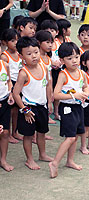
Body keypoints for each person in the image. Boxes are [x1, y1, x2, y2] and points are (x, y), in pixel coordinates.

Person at [48, 42, 89, 178]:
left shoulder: (82, 73)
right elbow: (56, 95)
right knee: (70, 137)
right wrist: (74, 95)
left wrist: (85, 92)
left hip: (78, 107)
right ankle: (55, 162)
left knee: (76, 135)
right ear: (62, 60)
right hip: (67, 108)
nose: (74, 61)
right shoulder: (63, 74)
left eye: (76, 57)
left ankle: (70, 161)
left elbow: (85, 87)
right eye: (70, 58)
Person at [13, 37, 53, 170]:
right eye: (29, 54)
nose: (34, 56)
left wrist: (50, 102)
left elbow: (47, 85)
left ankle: (42, 154)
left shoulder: (43, 66)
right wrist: (24, 110)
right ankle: (29, 159)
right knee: (28, 135)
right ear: (21, 56)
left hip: (42, 106)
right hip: (28, 109)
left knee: (42, 132)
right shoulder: (23, 73)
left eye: (36, 52)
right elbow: (15, 93)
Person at [1, 28, 23, 144]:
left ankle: (15, 132)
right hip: (10, 84)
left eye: (17, 40)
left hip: (20, 83)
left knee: (18, 110)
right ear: (5, 42)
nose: (16, 43)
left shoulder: (20, 54)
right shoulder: (5, 56)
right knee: (10, 111)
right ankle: (8, 133)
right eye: (12, 41)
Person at [36, 30, 56, 125]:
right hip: (38, 88)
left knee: (46, 107)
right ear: (39, 42)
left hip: (46, 86)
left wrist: (51, 91)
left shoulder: (48, 59)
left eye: (51, 42)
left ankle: (42, 132)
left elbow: (50, 76)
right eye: (47, 42)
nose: (50, 45)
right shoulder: (36, 58)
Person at [0, 48, 15, 172]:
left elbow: (9, 81)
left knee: (5, 132)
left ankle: (3, 159)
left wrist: (10, 93)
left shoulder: (5, 65)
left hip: (4, 102)